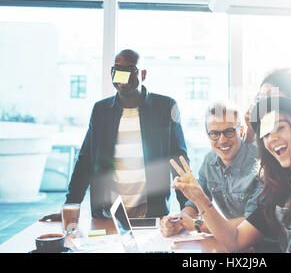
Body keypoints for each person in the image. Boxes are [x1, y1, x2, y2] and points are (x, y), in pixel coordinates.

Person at [40, 49, 188, 221]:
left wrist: (188, 210)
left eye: (130, 69)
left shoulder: (165, 106)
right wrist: (70, 207)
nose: (122, 75)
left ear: (144, 74)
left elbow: (179, 161)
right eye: (117, 69)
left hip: (152, 215)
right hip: (108, 216)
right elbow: (85, 160)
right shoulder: (100, 110)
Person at [169, 88, 291, 253]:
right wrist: (195, 204)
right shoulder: (276, 183)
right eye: (266, 134)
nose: (273, 138)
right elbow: (236, 239)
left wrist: (196, 223)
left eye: (280, 127)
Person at [160, 102, 263, 237]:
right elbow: (194, 202)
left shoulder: (261, 164)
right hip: (231, 243)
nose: (222, 140)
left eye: (229, 132)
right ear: (208, 135)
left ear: (241, 131)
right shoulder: (210, 161)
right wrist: (179, 221)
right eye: (214, 133)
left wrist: (197, 225)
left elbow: (252, 222)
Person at [243, 68, 291, 144]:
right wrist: (251, 132)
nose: (264, 105)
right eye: (261, 98)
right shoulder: (269, 135)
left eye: (271, 96)